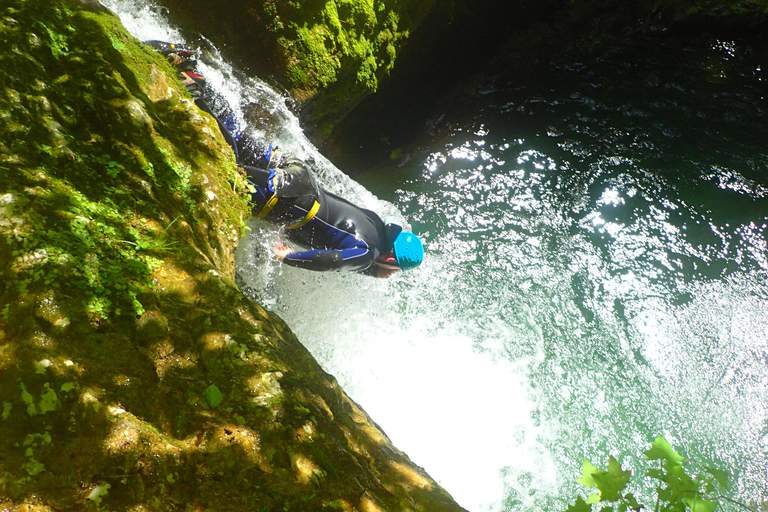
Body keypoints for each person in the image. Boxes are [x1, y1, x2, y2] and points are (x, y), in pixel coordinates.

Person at [146, 41, 424, 278]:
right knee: (226, 167)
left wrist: (374, 270)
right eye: (394, 270)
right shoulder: (365, 253)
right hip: (291, 199)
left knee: (238, 137)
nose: (389, 275)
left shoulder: (375, 224)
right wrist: (288, 256)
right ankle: (176, 111)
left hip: (298, 177)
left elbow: (354, 256)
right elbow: (335, 261)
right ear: (391, 259)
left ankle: (190, 69)